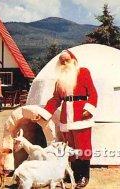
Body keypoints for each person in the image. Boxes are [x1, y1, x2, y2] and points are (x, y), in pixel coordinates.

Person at [33, 49, 98, 188]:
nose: (64, 63)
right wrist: (43, 114)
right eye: (61, 61)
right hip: (66, 119)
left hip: (81, 116)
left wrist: (89, 109)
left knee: (83, 148)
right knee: (70, 149)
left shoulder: (83, 72)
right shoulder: (59, 81)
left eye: (66, 60)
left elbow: (93, 93)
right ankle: (75, 175)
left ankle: (84, 176)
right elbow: (55, 100)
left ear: (73, 60)